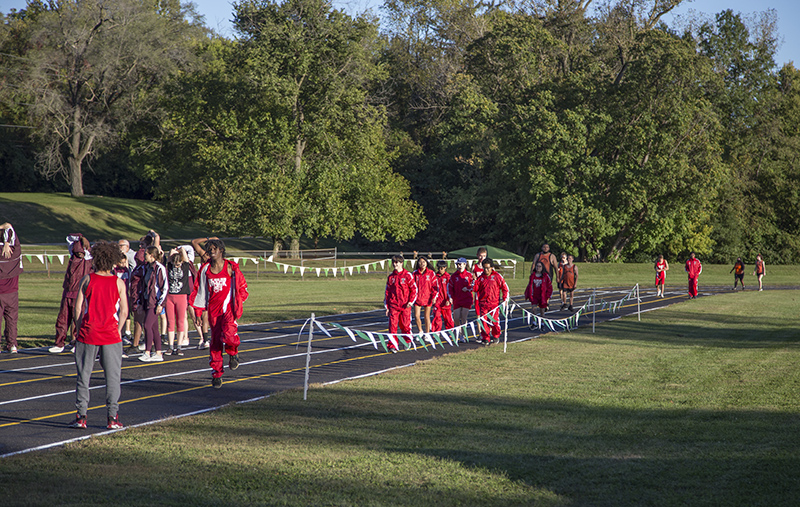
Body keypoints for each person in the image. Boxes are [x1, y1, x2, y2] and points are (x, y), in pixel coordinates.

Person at [69, 241, 128, 430]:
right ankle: (112, 417)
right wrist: (118, 330)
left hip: (89, 332)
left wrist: (80, 328)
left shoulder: (87, 279)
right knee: (112, 377)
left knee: (83, 376)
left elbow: (78, 307)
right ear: (112, 261)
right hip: (111, 334)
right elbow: (125, 311)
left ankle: (81, 416)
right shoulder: (118, 282)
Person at [189, 239, 248, 387]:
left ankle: (233, 353)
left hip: (228, 310)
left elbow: (242, 287)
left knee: (229, 335)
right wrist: (198, 313)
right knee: (215, 342)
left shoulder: (230, 268)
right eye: (209, 249)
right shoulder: (205, 270)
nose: (212, 251)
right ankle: (216, 373)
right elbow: (199, 291)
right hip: (213, 312)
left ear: (221, 250)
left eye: (215, 249)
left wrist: (238, 302)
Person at [50, 235, 93, 353]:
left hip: (79, 294)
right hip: (67, 293)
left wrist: (85, 241)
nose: (79, 254)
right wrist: (80, 237)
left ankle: (79, 342)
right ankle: (59, 344)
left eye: (81, 252)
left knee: (78, 320)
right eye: (77, 251)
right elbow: (69, 238)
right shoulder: (72, 257)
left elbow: (88, 250)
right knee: (62, 320)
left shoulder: (88, 259)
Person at [136, 246, 167, 362]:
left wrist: (161, 304)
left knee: (147, 325)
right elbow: (143, 286)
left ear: (151, 255)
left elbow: (165, 287)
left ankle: (147, 352)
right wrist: (140, 301)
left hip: (155, 302)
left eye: (146, 255)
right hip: (147, 300)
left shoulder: (160, 268)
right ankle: (158, 352)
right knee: (154, 328)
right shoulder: (146, 268)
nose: (144, 257)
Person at [383, 255, 417, 353]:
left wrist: (411, 301)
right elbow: (387, 292)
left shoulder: (407, 275)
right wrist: (387, 307)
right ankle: (392, 345)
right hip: (394, 305)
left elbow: (414, 289)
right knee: (392, 326)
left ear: (401, 263)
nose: (395, 264)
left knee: (405, 325)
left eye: (397, 262)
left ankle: (407, 341)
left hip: (405, 305)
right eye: (394, 262)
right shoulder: (391, 277)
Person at [191, 236, 220, 349]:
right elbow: (194, 242)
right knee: (205, 315)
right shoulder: (205, 255)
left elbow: (194, 241)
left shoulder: (211, 258)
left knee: (209, 315)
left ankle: (209, 339)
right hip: (205, 286)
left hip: (212, 286)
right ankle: (206, 339)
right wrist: (209, 238)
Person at [473, 258, 509, 345]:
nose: (486, 270)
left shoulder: (497, 276)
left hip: (494, 304)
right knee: (484, 322)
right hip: (483, 304)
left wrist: (505, 299)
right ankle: (485, 337)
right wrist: (474, 282)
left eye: (488, 268)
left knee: (494, 322)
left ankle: (496, 335)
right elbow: (475, 289)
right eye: (484, 268)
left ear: (492, 267)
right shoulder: (480, 278)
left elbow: (505, 288)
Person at [165, 246, 193, 356]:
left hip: (181, 296)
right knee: (170, 322)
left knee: (180, 321)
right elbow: (170, 254)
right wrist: (174, 252)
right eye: (175, 263)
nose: (177, 265)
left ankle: (179, 346)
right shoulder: (170, 266)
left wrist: (181, 249)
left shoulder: (185, 266)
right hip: (170, 296)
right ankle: (170, 346)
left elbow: (185, 257)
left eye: (178, 263)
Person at [0, 223, 22, 353]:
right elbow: (9, 226)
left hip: (0, 292)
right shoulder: (15, 251)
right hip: (12, 292)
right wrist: (7, 243)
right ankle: (12, 344)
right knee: (12, 319)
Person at [448, 257, 474, 342]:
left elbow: (474, 286)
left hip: (466, 299)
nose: (459, 266)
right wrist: (451, 297)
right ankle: (459, 330)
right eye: (458, 264)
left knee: (463, 317)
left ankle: (463, 335)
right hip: (457, 299)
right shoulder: (454, 276)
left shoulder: (469, 275)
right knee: (456, 317)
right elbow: (450, 287)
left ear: (465, 265)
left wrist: (468, 288)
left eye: (461, 264)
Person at [413, 256, 438, 335]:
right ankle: (420, 331)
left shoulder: (431, 273)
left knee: (427, 316)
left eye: (424, 262)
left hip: (428, 297)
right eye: (420, 262)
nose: (422, 263)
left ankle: (427, 333)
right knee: (417, 316)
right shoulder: (415, 273)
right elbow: (411, 286)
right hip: (417, 298)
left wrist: (434, 297)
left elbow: (435, 286)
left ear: (426, 263)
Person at [532, 243, 557, 309]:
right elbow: (534, 264)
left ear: (549, 248)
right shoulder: (538, 255)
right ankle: (541, 302)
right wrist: (532, 274)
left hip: (548, 275)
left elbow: (556, 267)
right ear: (542, 248)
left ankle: (546, 302)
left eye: (547, 247)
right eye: (544, 247)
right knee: (538, 289)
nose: (545, 248)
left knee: (546, 290)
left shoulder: (552, 256)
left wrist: (558, 277)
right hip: (539, 275)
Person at [431, 260, 453, 332]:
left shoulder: (448, 277)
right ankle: (436, 332)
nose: (440, 270)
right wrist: (433, 297)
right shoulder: (435, 276)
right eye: (439, 268)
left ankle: (450, 332)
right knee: (436, 317)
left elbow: (450, 289)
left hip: (445, 300)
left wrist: (449, 299)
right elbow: (433, 288)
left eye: (442, 268)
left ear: (445, 268)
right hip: (437, 300)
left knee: (448, 318)